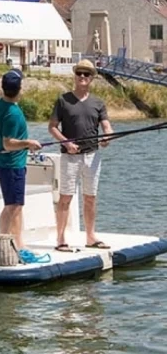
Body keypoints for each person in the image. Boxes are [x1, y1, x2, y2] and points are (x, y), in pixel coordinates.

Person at [48, 59, 114, 251]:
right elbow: (52, 127)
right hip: (70, 157)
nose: (83, 77)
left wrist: (107, 137)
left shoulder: (98, 103)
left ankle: (91, 236)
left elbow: (107, 126)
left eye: (87, 74)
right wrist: (66, 143)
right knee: (65, 197)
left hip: (92, 156)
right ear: (75, 76)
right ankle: (60, 239)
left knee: (90, 197)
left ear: (92, 78)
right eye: (79, 73)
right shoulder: (63, 100)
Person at [0, 69, 43, 251]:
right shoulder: (12, 114)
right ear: (19, 89)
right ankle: (10, 244)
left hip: (10, 164)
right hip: (12, 165)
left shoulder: (1, 104)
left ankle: (14, 242)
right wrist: (29, 143)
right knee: (13, 207)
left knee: (15, 205)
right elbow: (7, 144)